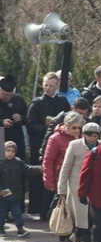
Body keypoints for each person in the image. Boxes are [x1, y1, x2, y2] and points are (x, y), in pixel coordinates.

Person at [26, 72, 69, 217]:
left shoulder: (62, 101)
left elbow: (69, 119)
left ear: (57, 85)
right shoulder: (36, 103)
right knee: (39, 177)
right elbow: (30, 125)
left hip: (60, 147)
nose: (48, 88)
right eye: (46, 85)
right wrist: (49, 129)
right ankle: (37, 208)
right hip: (40, 146)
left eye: (51, 85)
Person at [57, 122, 100, 242]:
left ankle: (78, 235)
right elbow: (66, 167)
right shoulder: (74, 145)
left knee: (91, 215)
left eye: (94, 135)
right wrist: (62, 188)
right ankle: (86, 240)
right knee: (80, 214)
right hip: (77, 185)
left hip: (95, 186)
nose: (92, 138)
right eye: (89, 135)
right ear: (83, 134)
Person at [43, 112, 85, 242]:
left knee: (77, 208)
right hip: (61, 178)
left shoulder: (83, 138)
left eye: (79, 128)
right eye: (74, 128)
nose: (77, 131)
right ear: (66, 126)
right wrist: (49, 181)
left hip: (78, 179)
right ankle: (64, 231)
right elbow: (48, 161)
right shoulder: (55, 138)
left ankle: (76, 233)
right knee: (63, 208)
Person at [0, 141, 40, 237]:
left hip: (15, 192)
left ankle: (20, 229)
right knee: (2, 213)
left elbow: (28, 169)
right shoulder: (1, 163)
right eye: (8, 150)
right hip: (3, 193)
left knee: (17, 212)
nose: (10, 153)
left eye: (13, 151)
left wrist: (39, 169)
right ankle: (1, 228)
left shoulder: (19, 163)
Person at [0, 74, 28, 161]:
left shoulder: (18, 100)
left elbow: (28, 117)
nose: (8, 97)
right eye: (5, 95)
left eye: (10, 95)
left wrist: (21, 117)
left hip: (16, 136)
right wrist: (2, 123)